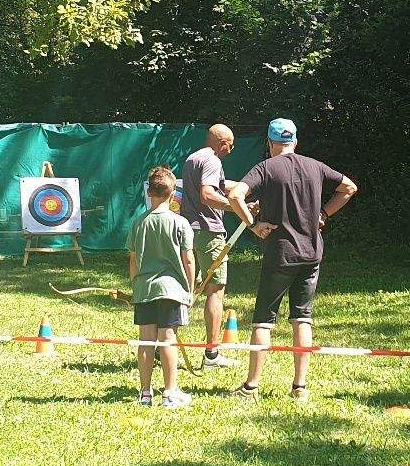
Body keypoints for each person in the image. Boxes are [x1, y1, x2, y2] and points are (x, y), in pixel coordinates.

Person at [227, 118, 357, 402]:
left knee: (263, 321)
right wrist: (324, 214)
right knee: (302, 318)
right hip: (312, 252)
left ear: (270, 143)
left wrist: (252, 224)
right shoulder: (315, 166)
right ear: (295, 142)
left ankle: (251, 387)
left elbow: (235, 193)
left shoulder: (266, 168)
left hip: (280, 253)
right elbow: (349, 188)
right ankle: (300, 387)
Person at [128, 165, 196, 408]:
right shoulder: (181, 223)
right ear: (173, 192)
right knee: (168, 339)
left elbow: (133, 261)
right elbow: (189, 260)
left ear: (149, 192)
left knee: (146, 341)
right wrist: (190, 290)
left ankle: (145, 393)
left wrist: (136, 286)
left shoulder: (138, 223)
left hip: (144, 289)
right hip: (172, 290)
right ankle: (170, 392)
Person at [180, 123, 238, 369]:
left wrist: (244, 190)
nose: (230, 151)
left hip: (187, 230)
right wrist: (235, 206)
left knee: (180, 287)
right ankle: (212, 355)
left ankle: (164, 346)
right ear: (222, 143)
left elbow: (218, 186)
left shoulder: (194, 158)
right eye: (230, 146)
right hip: (209, 232)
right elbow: (208, 194)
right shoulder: (213, 161)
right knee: (215, 289)